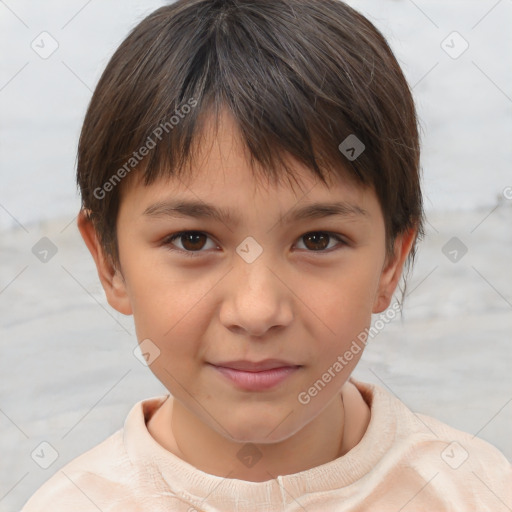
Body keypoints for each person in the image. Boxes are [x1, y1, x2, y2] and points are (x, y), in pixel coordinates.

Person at [22, 0, 512, 510]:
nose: (256, 312)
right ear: (109, 261)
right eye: (193, 240)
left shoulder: (480, 492)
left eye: (317, 240)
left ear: (390, 262)